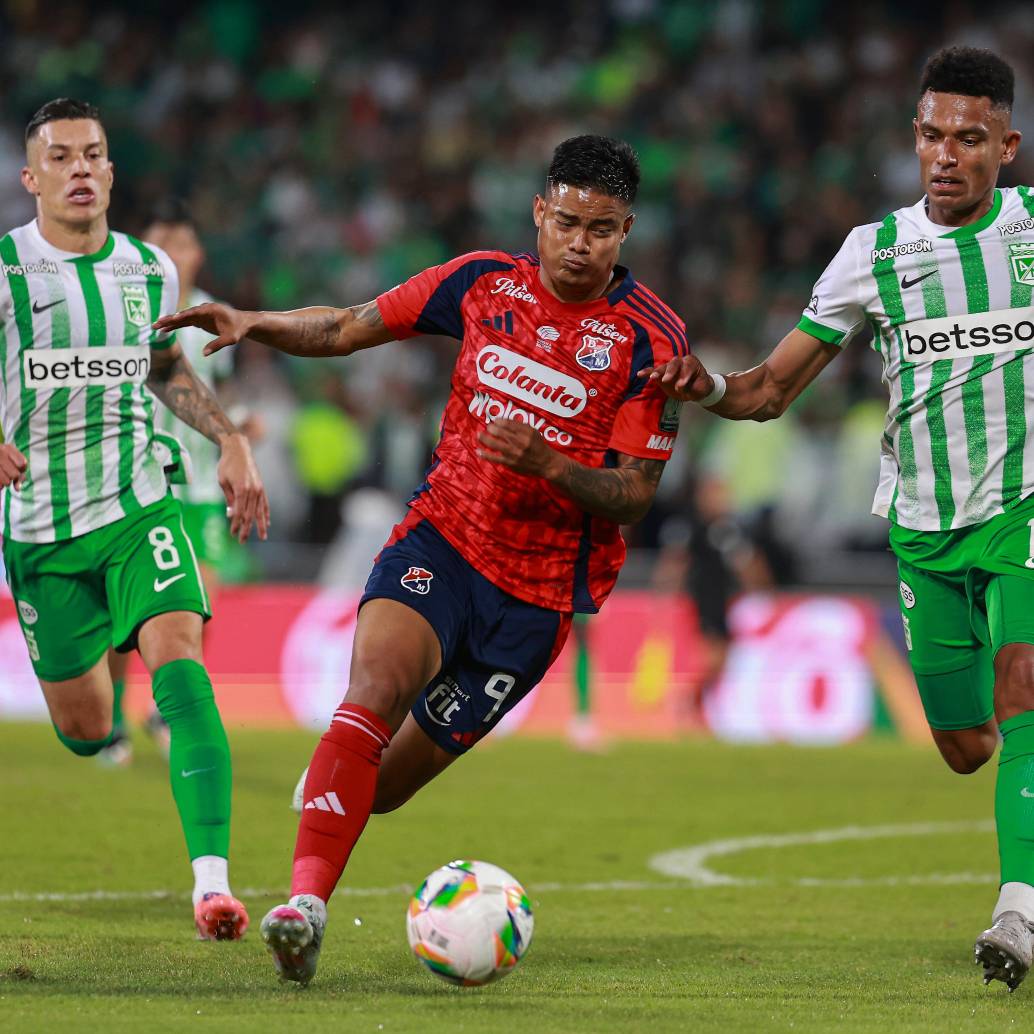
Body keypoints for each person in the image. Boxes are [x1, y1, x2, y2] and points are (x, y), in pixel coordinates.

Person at [156, 134, 686, 984]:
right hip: (443, 540)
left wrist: (549, 463)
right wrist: (256, 322)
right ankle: (306, 909)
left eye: (602, 229)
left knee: (386, 785)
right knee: (371, 690)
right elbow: (345, 325)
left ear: (627, 232)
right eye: (568, 222)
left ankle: (342, 772)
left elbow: (633, 494)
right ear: (540, 214)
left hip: (536, 599)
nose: (580, 245)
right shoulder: (481, 282)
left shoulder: (649, 343)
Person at [644, 46, 1034, 991]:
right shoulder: (875, 252)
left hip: (1023, 507)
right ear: (914, 138)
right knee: (963, 744)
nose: (947, 154)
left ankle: (1017, 913)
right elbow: (772, 388)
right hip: (921, 525)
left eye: (970, 139)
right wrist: (705, 386)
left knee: (1024, 702)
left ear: (1007, 148)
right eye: (933, 135)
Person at [0, 98, 269, 939]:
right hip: (41, 531)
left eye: (95, 155)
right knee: (86, 730)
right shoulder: (5, 270)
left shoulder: (150, 269)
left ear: (111, 171)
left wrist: (229, 442)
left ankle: (213, 884)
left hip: (135, 502)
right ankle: (107, 666)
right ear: (32, 177)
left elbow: (164, 370)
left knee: (182, 663)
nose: (80, 169)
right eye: (63, 157)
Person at [101, 200, 259, 765]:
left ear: (197, 255)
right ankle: (114, 716)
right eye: (160, 242)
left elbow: (225, 393)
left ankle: (163, 711)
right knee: (124, 615)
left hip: (198, 493)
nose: (171, 252)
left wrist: (240, 427)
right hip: (137, 484)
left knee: (202, 602)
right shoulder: (118, 312)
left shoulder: (216, 316)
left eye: (182, 243)